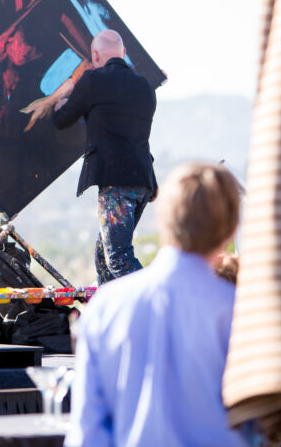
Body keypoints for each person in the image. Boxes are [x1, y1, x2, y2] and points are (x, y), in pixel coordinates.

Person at [65, 161, 245, 447]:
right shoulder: (243, 314)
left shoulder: (103, 309)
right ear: (232, 229)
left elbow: (88, 435)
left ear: (162, 220)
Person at [51, 29, 157, 284]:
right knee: (103, 257)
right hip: (143, 182)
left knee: (118, 258)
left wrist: (59, 100)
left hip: (116, 184)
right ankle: (108, 305)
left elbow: (62, 119)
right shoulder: (145, 87)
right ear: (123, 53)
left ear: (96, 55)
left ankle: (157, 298)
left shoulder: (93, 81)